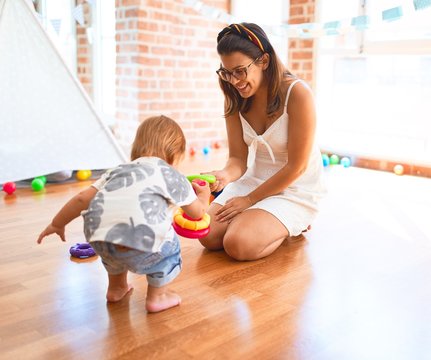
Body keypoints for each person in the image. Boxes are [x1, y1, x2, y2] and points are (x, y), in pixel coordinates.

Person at [37, 115, 210, 313]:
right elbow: (197, 214)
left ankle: (116, 288)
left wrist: (57, 223)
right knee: (169, 247)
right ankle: (157, 297)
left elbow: (82, 199)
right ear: (175, 155)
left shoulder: (116, 171)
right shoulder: (173, 176)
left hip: (100, 239)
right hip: (144, 243)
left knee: (113, 235)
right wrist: (204, 197)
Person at [199, 23, 326, 261]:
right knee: (208, 235)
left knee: (238, 244)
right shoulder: (234, 97)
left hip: (294, 188)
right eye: (226, 73)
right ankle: (263, 222)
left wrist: (249, 201)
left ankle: (293, 222)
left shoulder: (298, 94)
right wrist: (224, 176)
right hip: (255, 181)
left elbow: (296, 167)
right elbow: (237, 159)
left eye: (239, 71)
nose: (234, 81)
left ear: (264, 61)